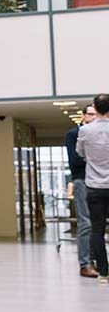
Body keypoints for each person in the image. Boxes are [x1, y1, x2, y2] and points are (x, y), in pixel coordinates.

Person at [76, 93, 109, 284]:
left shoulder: (85, 131)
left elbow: (80, 153)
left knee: (97, 230)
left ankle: (104, 272)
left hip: (94, 186)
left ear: (94, 109)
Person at [67, 103, 99, 277]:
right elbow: (75, 161)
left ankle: (95, 261)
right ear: (84, 115)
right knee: (85, 223)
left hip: (98, 182)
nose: (94, 118)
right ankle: (85, 264)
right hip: (82, 181)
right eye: (91, 115)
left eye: (96, 115)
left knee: (97, 224)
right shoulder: (73, 134)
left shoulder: (100, 133)